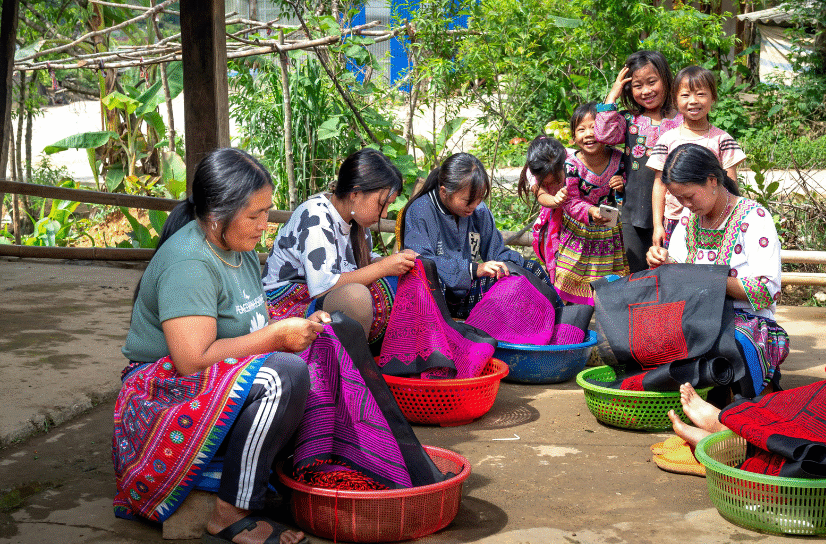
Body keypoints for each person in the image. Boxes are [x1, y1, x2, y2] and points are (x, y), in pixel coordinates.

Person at [114, 148, 322, 544]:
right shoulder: (189, 263)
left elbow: (248, 324)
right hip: (166, 392)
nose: (265, 224)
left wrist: (300, 330)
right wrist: (277, 338)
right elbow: (191, 361)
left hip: (208, 380)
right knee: (285, 376)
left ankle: (277, 479)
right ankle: (231, 513)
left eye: (267, 212)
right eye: (254, 215)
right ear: (216, 216)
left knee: (323, 356)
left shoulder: (236, 248)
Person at [646, 143, 787, 397]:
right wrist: (662, 264)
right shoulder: (689, 219)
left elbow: (767, 290)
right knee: (649, 333)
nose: (685, 204)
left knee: (733, 343)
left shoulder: (753, 218)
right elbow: (678, 270)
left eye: (689, 196)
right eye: (678, 199)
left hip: (747, 321)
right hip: (698, 315)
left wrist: (706, 281)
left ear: (712, 181)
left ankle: (739, 397)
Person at [263, 148, 417, 347]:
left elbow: (366, 258)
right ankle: (353, 370)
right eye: (381, 205)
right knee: (356, 298)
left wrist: (395, 262)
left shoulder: (356, 221)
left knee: (403, 282)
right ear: (355, 193)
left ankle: (393, 357)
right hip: (289, 304)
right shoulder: (315, 216)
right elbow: (323, 287)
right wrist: (383, 267)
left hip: (318, 297)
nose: (385, 214)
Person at [400, 152, 555, 318]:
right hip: (438, 299)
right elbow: (421, 265)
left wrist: (513, 266)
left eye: (479, 198)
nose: (474, 206)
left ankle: (559, 321)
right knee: (511, 292)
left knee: (532, 270)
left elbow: (496, 252)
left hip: (468, 289)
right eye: (468, 200)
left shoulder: (479, 210)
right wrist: (474, 269)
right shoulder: (420, 211)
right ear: (444, 192)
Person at [593, 50, 683, 272]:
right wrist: (611, 97)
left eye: (652, 82)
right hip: (634, 210)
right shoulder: (628, 119)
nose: (646, 91)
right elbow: (603, 134)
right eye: (637, 85)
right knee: (638, 271)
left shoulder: (682, 119)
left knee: (672, 269)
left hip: (676, 211)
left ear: (666, 79)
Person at [647, 66, 745, 247]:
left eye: (700, 94)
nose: (693, 101)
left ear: (713, 98)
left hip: (714, 220)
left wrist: (731, 218)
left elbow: (731, 182)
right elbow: (660, 184)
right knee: (676, 268)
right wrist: (657, 225)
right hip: (675, 220)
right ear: (675, 101)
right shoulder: (667, 140)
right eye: (685, 95)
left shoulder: (722, 140)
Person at [552, 102, 629, 305]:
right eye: (581, 129)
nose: (588, 134)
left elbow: (633, 190)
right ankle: (570, 322)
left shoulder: (621, 160)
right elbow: (570, 200)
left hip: (609, 231)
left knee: (605, 280)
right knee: (569, 276)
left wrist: (622, 186)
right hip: (578, 232)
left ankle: (606, 320)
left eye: (594, 127)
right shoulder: (571, 165)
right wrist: (591, 210)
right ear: (573, 138)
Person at [517, 136, 570, 281]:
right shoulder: (533, 171)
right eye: (547, 177)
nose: (552, 180)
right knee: (555, 257)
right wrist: (555, 200)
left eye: (555, 174)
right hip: (553, 215)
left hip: (578, 212)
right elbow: (541, 196)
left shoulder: (572, 159)